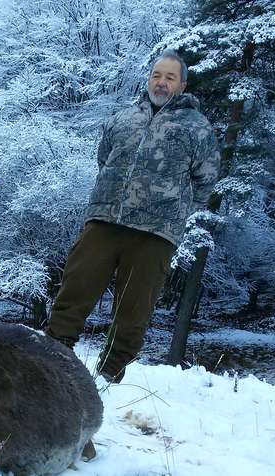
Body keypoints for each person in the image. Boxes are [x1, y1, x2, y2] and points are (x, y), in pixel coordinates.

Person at [45, 50, 221, 383]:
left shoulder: (197, 128)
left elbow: (205, 181)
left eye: (170, 77)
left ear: (182, 85)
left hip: (155, 233)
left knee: (134, 311)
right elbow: (104, 160)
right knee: (74, 290)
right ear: (149, 78)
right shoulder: (122, 119)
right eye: (157, 75)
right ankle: (52, 362)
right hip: (104, 221)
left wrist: (172, 212)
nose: (161, 82)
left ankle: (111, 377)